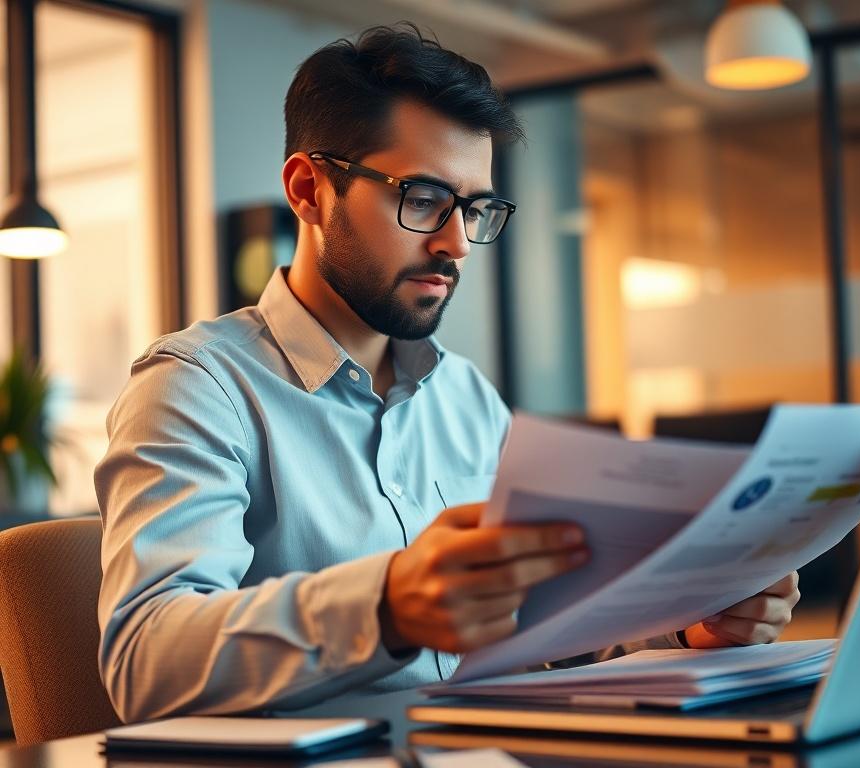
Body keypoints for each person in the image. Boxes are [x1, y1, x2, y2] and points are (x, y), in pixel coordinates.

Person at [95, 23, 800, 724]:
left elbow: (542, 620)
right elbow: (143, 664)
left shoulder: (464, 396)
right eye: (424, 198)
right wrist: (385, 605)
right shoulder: (196, 387)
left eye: (475, 208)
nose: (456, 243)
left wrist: (684, 625)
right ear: (309, 189)